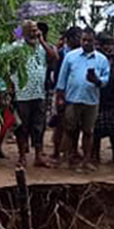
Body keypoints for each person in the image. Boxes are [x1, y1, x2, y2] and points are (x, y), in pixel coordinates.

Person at [0, 20, 58, 168]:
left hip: (39, 94)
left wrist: (42, 41)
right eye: (31, 31)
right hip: (22, 95)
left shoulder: (42, 47)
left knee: (39, 126)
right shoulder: (16, 48)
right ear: (24, 32)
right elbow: (2, 61)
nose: (35, 33)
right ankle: (22, 157)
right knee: (22, 127)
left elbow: (54, 57)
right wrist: (9, 84)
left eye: (36, 30)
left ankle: (38, 156)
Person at [56, 28, 109, 171]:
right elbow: (62, 78)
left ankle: (86, 160)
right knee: (69, 130)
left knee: (88, 131)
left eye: (89, 40)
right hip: (73, 99)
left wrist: (96, 80)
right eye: (83, 40)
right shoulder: (71, 56)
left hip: (91, 100)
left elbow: (105, 79)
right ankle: (65, 159)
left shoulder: (102, 60)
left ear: (94, 41)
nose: (86, 43)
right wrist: (60, 97)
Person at [93, 33, 114, 163]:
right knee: (96, 129)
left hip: (112, 98)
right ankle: (95, 155)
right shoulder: (97, 60)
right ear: (100, 46)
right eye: (106, 45)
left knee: (113, 129)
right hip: (98, 98)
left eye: (111, 45)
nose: (109, 48)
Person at [51, 26, 81, 160]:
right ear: (69, 39)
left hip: (77, 94)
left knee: (75, 124)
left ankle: (72, 150)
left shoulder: (82, 54)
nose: (79, 40)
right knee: (60, 123)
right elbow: (57, 75)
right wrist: (59, 95)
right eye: (77, 37)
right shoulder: (62, 54)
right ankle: (57, 150)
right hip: (63, 92)